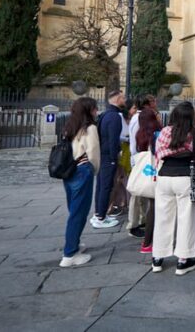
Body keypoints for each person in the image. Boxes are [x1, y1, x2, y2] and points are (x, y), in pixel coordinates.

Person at [151, 102, 195, 276]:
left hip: (165, 176)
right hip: (185, 177)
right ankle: (184, 259)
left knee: (162, 217)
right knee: (186, 218)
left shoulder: (165, 132)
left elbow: (156, 151)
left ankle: (158, 257)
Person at [60, 97, 101, 267]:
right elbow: (93, 153)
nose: (96, 112)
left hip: (68, 170)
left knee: (74, 210)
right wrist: (95, 170)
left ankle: (74, 244)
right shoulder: (89, 128)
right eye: (94, 109)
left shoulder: (70, 125)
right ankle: (69, 254)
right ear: (88, 111)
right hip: (83, 170)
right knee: (79, 212)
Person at [92, 90, 125, 228]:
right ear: (117, 99)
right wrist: (114, 158)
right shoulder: (115, 116)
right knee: (106, 186)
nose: (124, 99)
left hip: (102, 155)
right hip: (108, 156)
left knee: (100, 186)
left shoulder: (105, 114)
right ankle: (101, 217)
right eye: (123, 97)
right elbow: (113, 140)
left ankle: (98, 213)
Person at [127, 95, 157, 237]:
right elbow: (135, 142)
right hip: (140, 159)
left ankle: (143, 219)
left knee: (143, 191)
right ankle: (133, 223)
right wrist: (136, 159)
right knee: (137, 192)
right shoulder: (139, 119)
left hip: (140, 158)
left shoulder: (139, 118)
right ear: (147, 104)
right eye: (153, 102)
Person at [135, 107, 162, 254]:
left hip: (145, 173)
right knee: (154, 208)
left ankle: (149, 240)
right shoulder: (157, 134)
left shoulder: (140, 134)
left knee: (151, 207)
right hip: (156, 173)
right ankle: (147, 242)